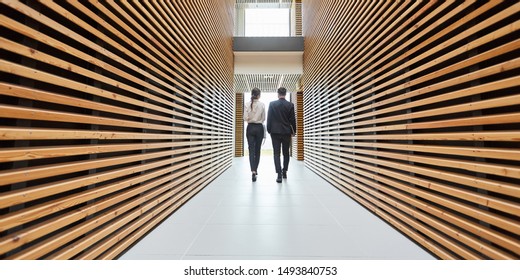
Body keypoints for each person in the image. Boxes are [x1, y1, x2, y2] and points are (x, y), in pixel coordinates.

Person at [266, 87, 296, 183]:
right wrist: (293, 131)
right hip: (286, 132)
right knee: (286, 153)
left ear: (278, 94)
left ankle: (278, 174)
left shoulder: (272, 104)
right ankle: (285, 172)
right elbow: (292, 120)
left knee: (276, 153)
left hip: (274, 132)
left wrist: (269, 130)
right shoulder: (290, 105)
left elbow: (269, 118)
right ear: (286, 94)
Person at [244, 87, 266, 182]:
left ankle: (252, 170)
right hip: (259, 128)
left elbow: (245, 118)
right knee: (257, 150)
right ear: (259, 95)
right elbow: (264, 118)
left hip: (250, 128)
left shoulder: (246, 104)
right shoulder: (262, 105)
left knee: (251, 150)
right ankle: (255, 169)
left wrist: (250, 119)